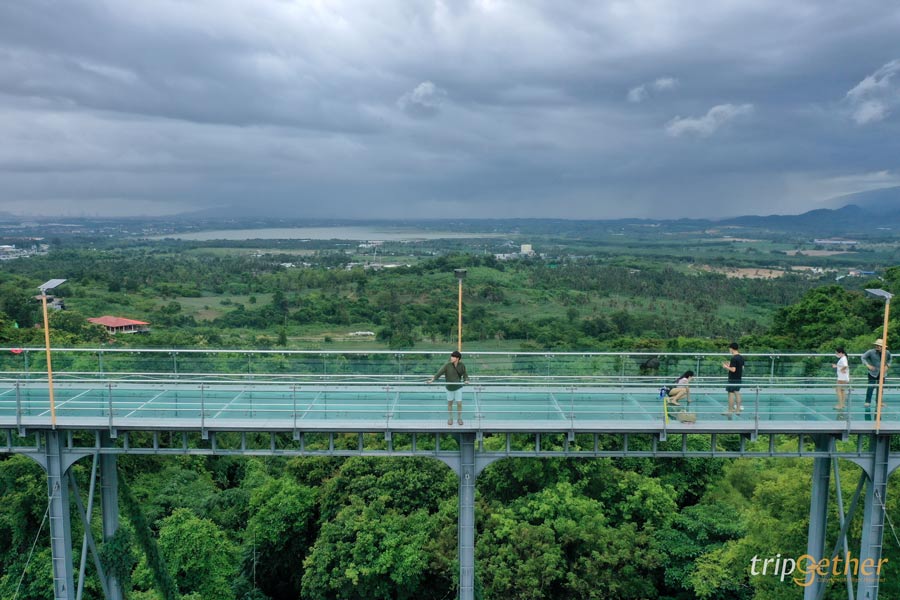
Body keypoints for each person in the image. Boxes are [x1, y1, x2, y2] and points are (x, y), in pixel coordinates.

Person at [428, 350, 470, 425]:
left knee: (459, 403)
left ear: (457, 358)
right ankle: (450, 418)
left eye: (453, 356)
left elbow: (465, 374)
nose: (451, 358)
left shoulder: (462, 365)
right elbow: (439, 372)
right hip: (449, 387)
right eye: (451, 356)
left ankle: (459, 418)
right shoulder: (447, 365)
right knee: (450, 403)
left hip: (458, 387)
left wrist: (466, 380)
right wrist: (433, 379)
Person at [861, 339, 892, 412]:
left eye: (879, 346)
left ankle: (879, 402)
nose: (877, 347)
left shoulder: (887, 353)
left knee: (880, 388)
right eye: (876, 345)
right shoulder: (871, 352)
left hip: (882, 373)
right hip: (873, 373)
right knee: (871, 387)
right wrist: (868, 365)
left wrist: (887, 366)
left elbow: (890, 359)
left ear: (882, 347)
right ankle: (867, 402)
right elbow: (863, 357)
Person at [722, 342, 744, 417]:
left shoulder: (734, 358)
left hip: (732, 379)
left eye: (729, 349)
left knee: (730, 394)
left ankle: (730, 411)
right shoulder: (741, 357)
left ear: (731, 348)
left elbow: (733, 370)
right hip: (738, 377)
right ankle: (737, 410)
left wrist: (726, 366)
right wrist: (730, 366)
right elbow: (742, 368)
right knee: (737, 393)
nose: (729, 350)